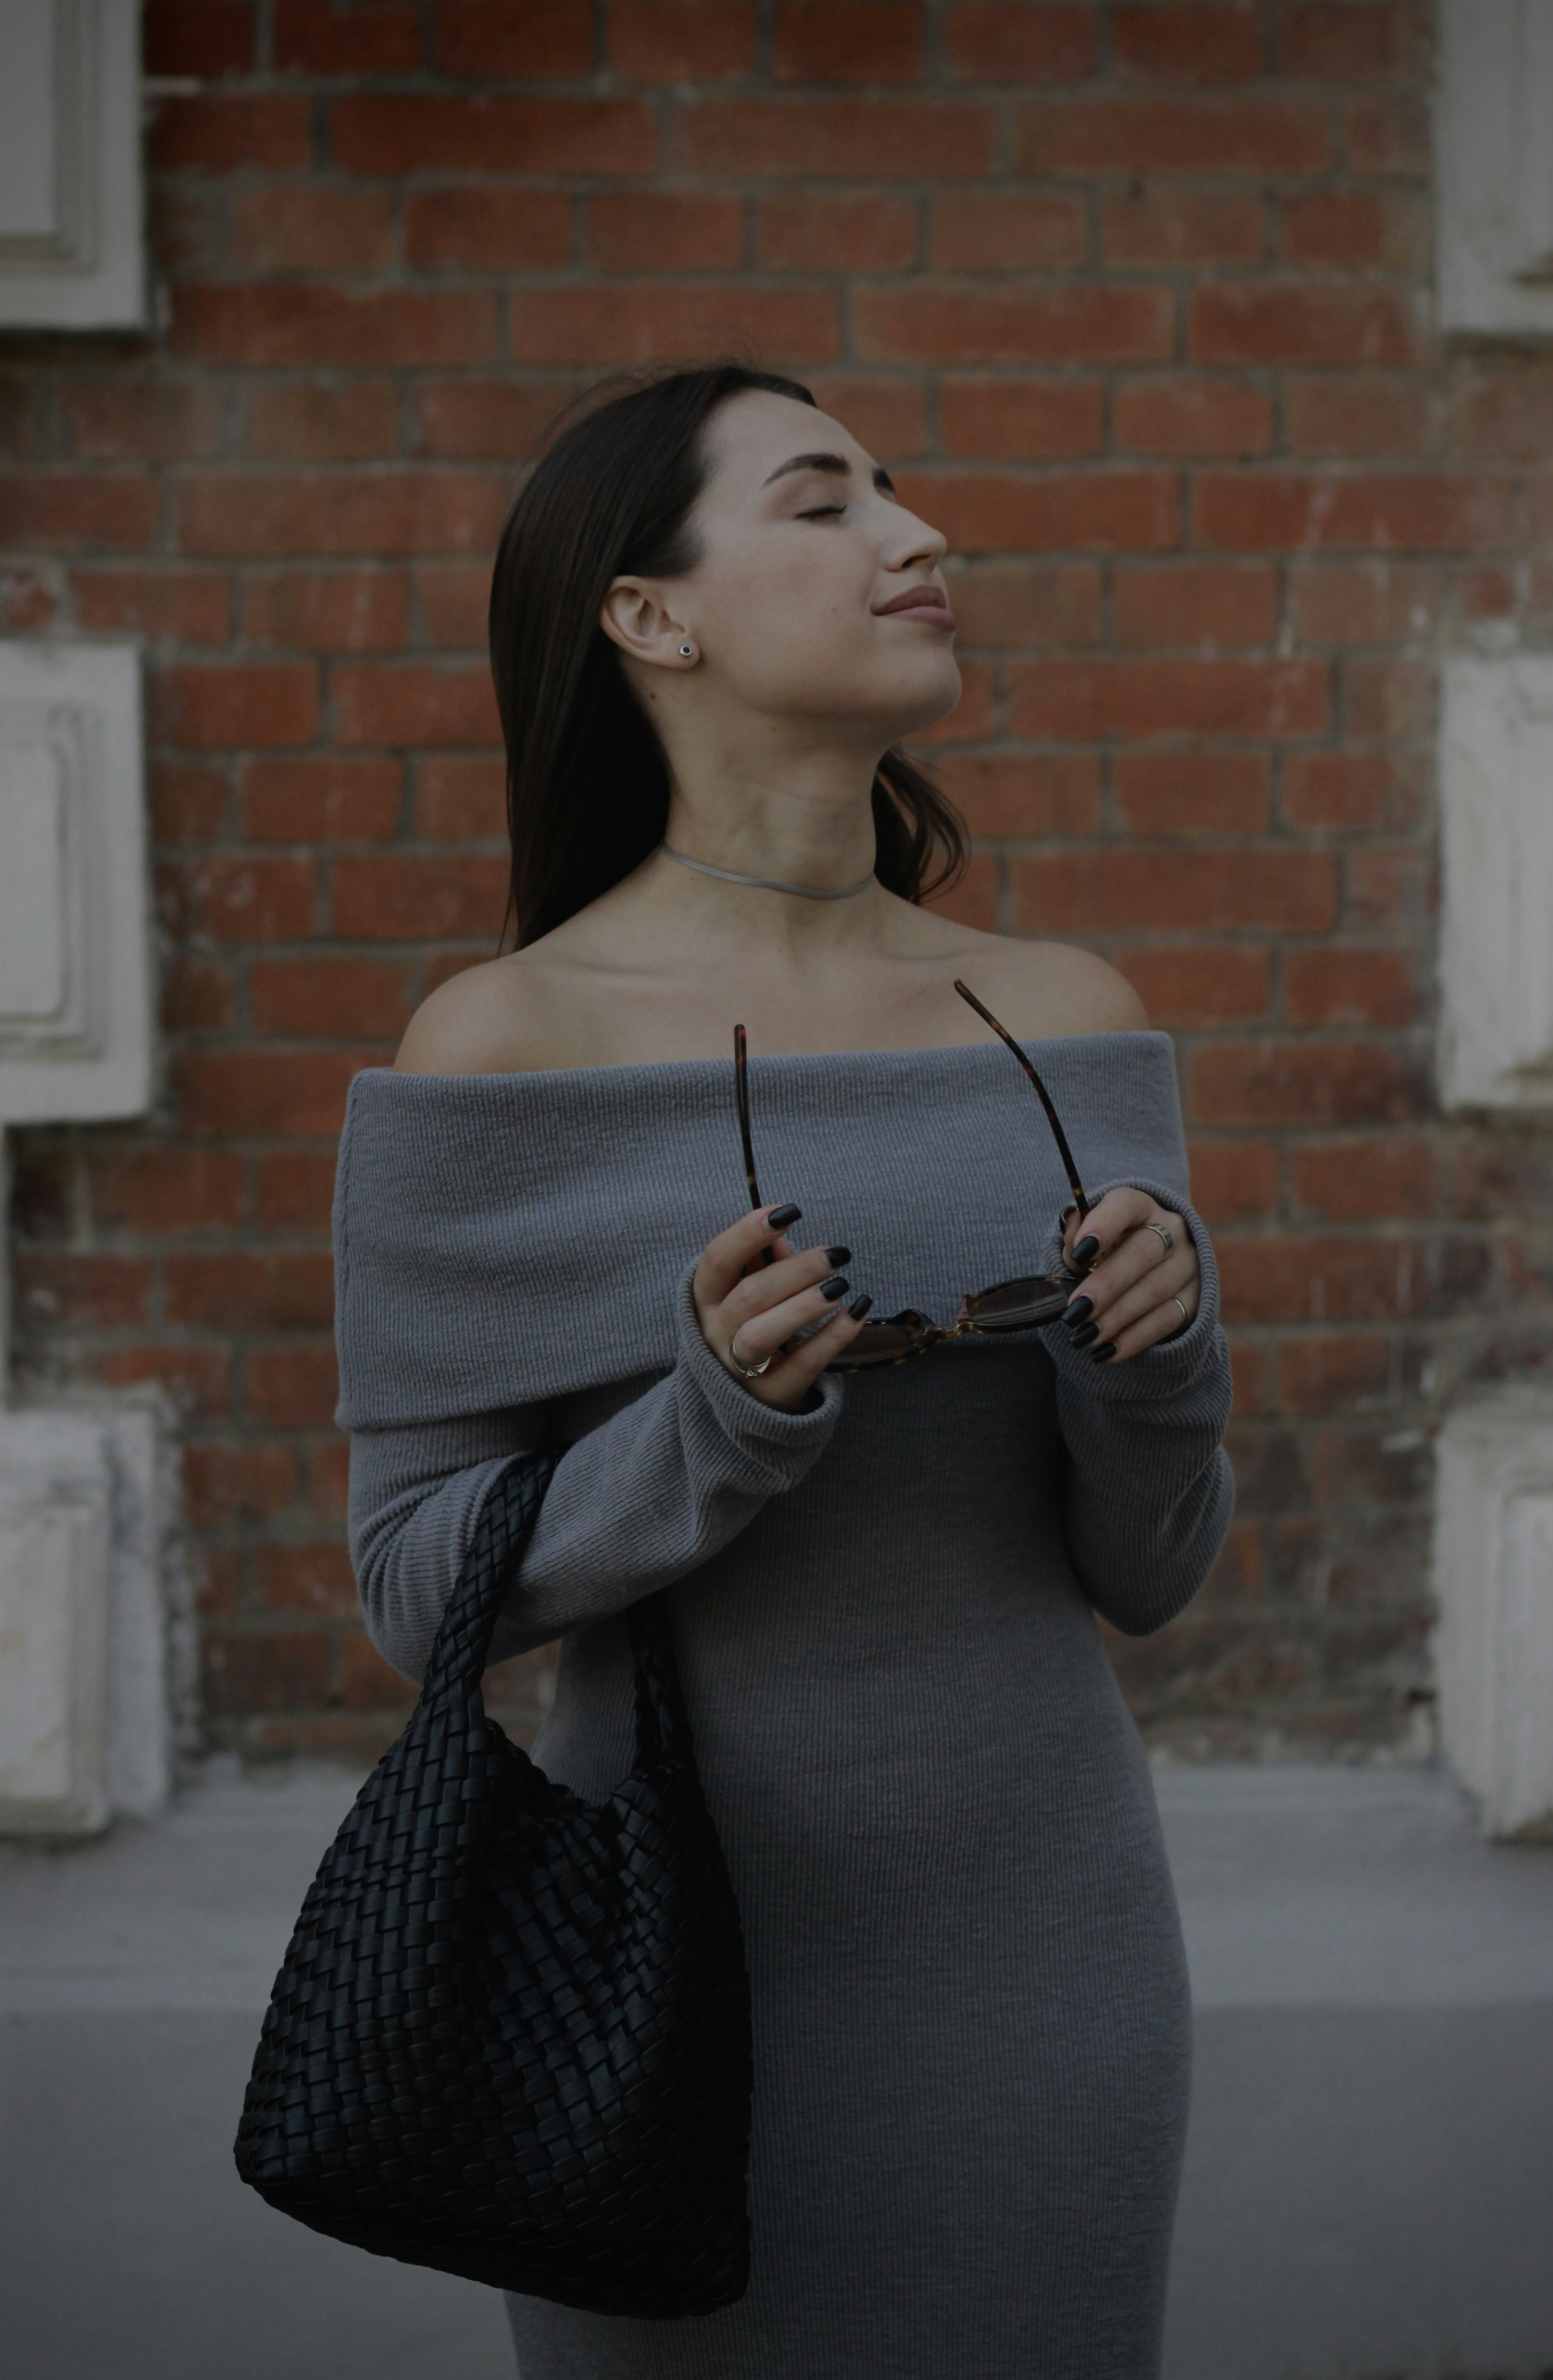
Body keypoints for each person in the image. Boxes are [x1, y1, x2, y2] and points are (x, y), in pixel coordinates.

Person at [334, 364, 1234, 2379]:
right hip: (658, 1971)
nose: (919, 537)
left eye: (902, 494)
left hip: (1049, 1940)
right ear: (650, 616)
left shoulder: (1065, 1013)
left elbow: (1148, 1566)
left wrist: (1155, 1360)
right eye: (825, 500)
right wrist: (710, 1430)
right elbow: (416, 1588)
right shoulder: (498, 1041)